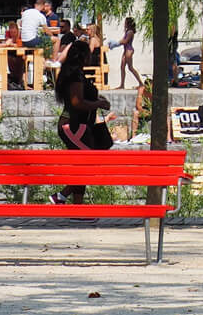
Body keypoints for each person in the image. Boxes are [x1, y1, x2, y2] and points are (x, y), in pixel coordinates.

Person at [51, 39, 112, 205]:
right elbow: (77, 102)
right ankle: (62, 195)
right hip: (73, 126)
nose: (90, 58)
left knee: (82, 164)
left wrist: (96, 99)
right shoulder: (75, 75)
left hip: (80, 125)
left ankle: (76, 205)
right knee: (89, 162)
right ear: (82, 56)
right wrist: (99, 103)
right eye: (88, 54)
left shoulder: (75, 73)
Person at [115, 17, 139, 89]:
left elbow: (125, 41)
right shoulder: (127, 31)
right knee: (122, 67)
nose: (124, 24)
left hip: (129, 50)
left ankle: (141, 83)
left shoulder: (130, 32)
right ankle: (122, 85)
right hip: (125, 50)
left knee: (130, 67)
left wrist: (117, 43)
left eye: (125, 22)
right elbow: (123, 39)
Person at [3, 22, 26, 90]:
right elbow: (7, 42)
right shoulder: (7, 33)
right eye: (11, 32)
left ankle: (19, 80)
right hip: (10, 52)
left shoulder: (21, 34)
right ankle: (13, 79)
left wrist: (14, 42)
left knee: (21, 59)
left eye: (14, 31)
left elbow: (22, 44)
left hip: (21, 53)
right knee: (9, 59)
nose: (13, 33)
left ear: (17, 30)